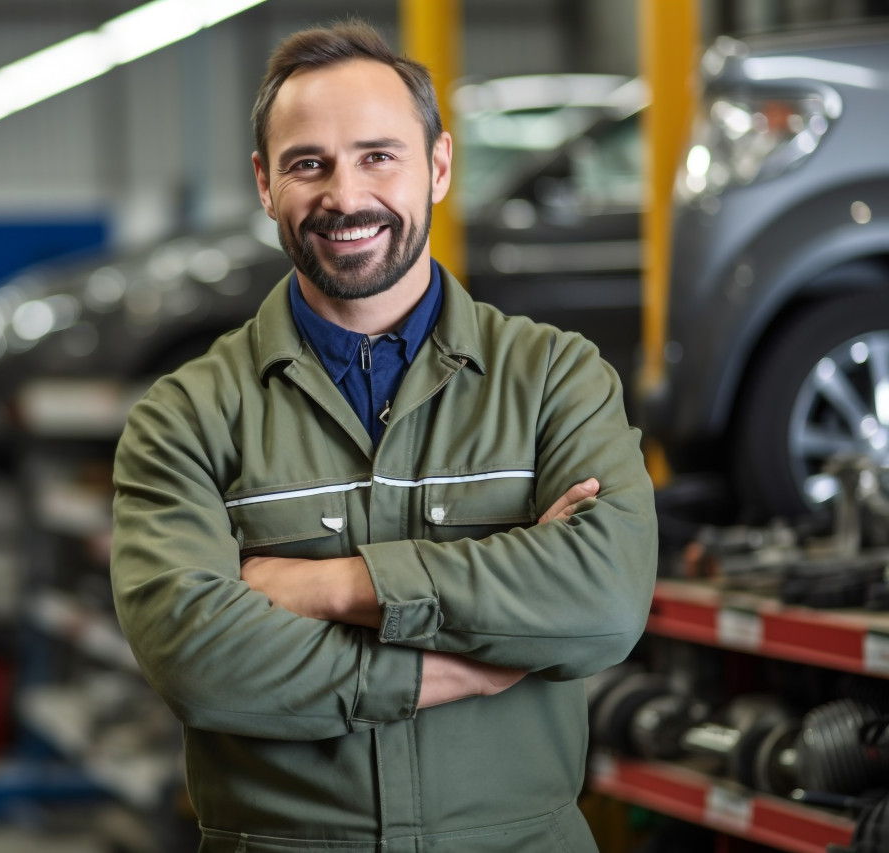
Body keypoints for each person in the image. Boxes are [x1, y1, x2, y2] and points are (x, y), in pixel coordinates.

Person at [111, 19, 657, 853]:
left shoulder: (555, 379)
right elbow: (197, 658)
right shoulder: (185, 417)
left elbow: (603, 602)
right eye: (308, 163)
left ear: (438, 165)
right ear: (264, 183)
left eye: (378, 155)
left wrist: (329, 586)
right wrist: (449, 668)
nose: (345, 195)